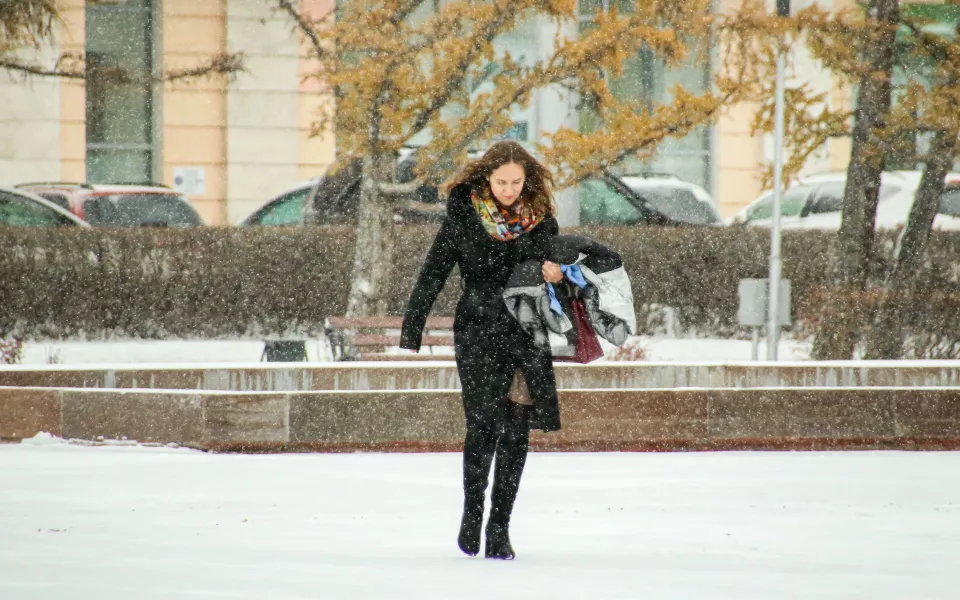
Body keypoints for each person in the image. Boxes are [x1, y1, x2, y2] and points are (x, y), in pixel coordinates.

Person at [400, 140, 563, 560]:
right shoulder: (464, 218)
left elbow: (563, 281)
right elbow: (433, 272)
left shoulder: (541, 221)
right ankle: (473, 512)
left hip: (526, 333)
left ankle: (499, 526)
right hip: (478, 331)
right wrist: (412, 328)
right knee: (483, 424)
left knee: (517, 431)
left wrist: (558, 276)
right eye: (501, 182)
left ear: (527, 180)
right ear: (486, 178)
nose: (509, 190)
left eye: (516, 182)